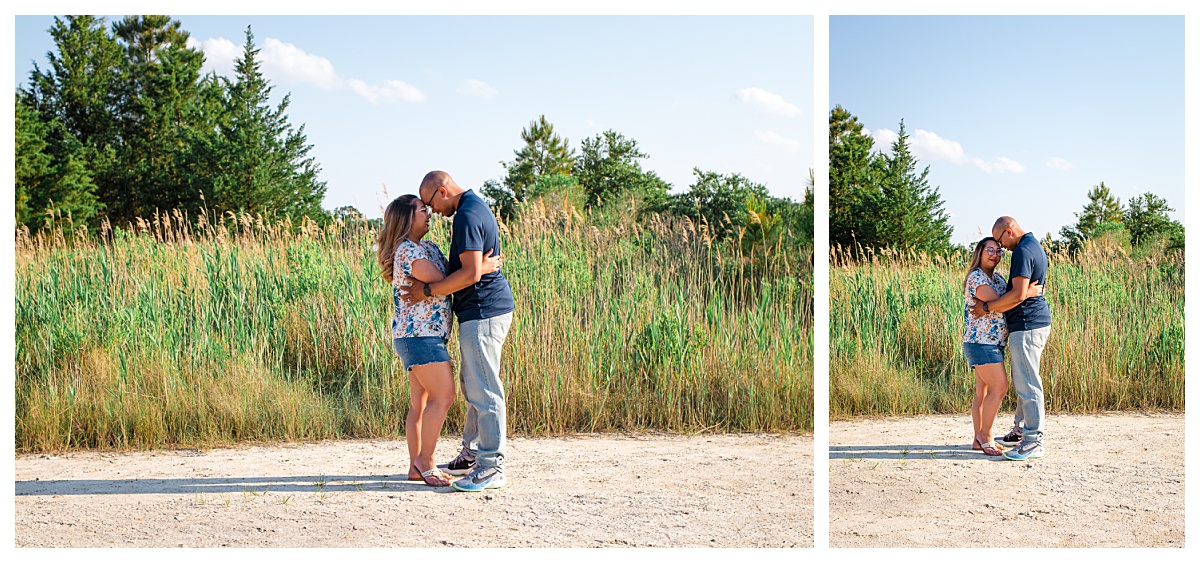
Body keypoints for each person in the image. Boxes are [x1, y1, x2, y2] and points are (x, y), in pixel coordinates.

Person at [376, 194, 502, 486]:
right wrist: (479, 269)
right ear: (407, 218)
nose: (429, 213)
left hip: (422, 335)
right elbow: (443, 279)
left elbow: (443, 280)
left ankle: (415, 466)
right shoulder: (407, 250)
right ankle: (427, 463)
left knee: (420, 403)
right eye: (423, 210)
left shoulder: (428, 247)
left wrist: (462, 274)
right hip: (419, 336)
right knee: (443, 397)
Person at [403, 171, 515, 492]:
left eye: (430, 204)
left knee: (484, 388)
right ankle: (473, 454)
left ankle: (491, 465)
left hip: (483, 310)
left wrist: (428, 292)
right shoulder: (472, 208)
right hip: (480, 310)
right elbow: (474, 269)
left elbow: (470, 273)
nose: (432, 212)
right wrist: (477, 270)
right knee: (473, 382)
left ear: (442, 191)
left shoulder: (466, 214)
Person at [969, 216, 1052, 461]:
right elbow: (1018, 292)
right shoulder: (1032, 245)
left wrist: (986, 308)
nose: (1002, 248)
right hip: (1026, 324)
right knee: (1023, 380)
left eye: (1000, 242)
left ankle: (1033, 440)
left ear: (1008, 231)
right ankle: (1020, 431)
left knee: (1028, 383)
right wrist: (1025, 292)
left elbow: (1015, 295)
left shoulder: (1023, 250)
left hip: (1027, 324)